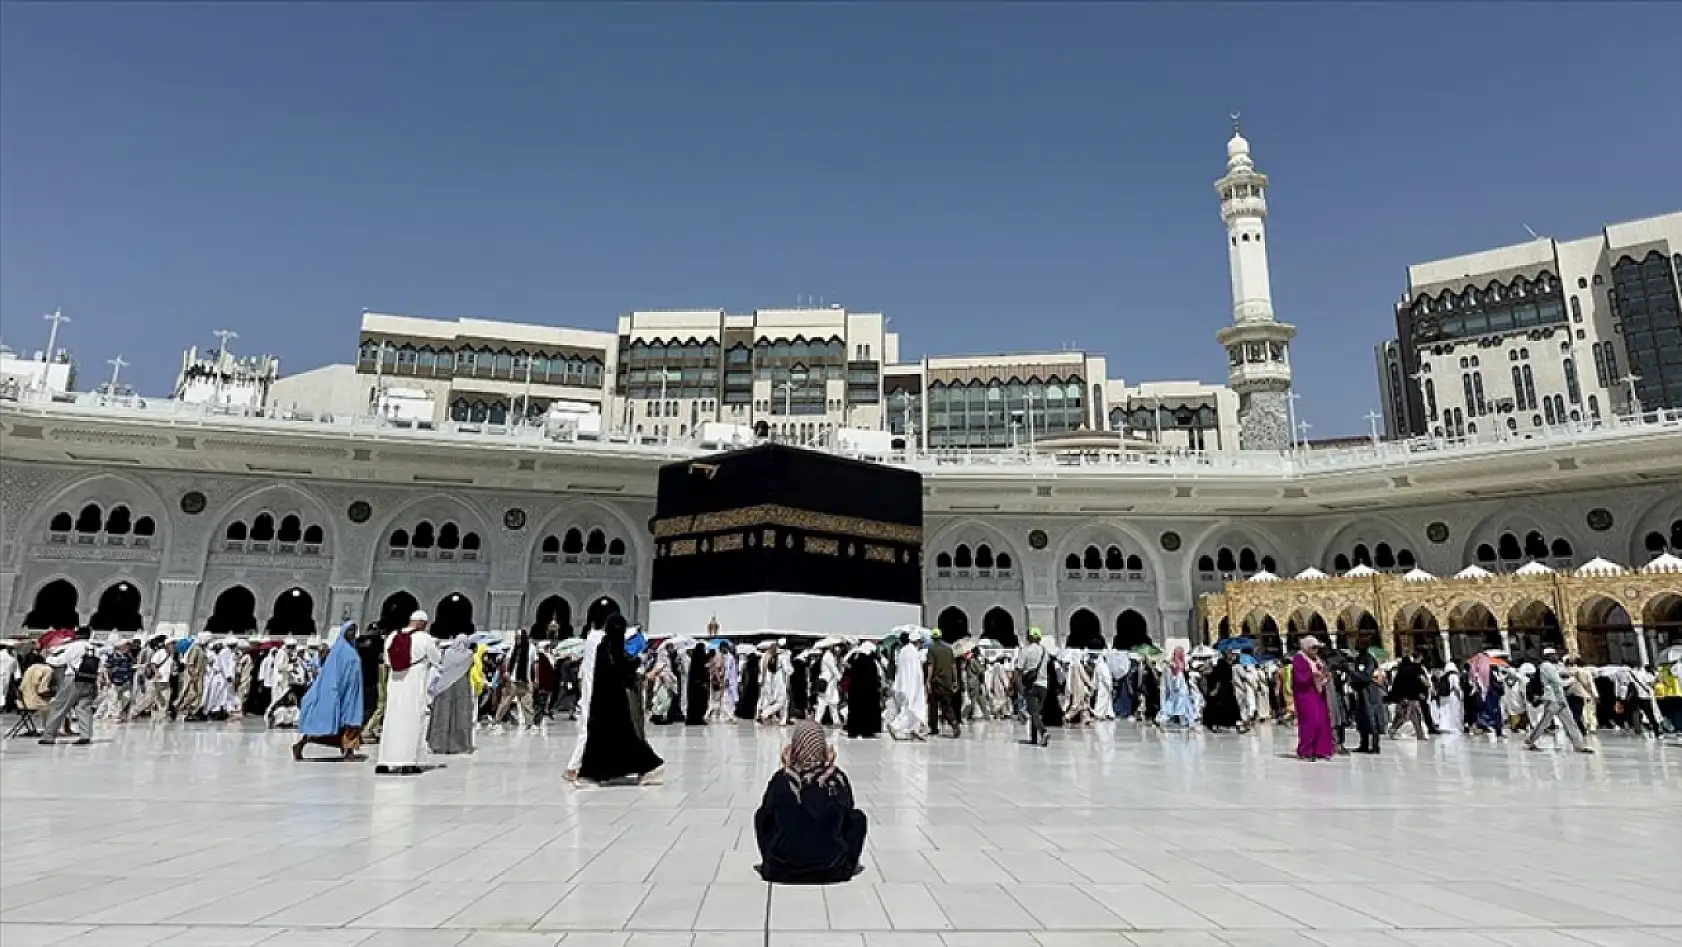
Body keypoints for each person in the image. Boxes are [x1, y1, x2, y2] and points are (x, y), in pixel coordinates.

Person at [753, 720, 868, 884]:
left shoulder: (782, 779)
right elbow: (848, 814)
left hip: (781, 871)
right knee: (857, 817)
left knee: (763, 815)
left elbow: (765, 816)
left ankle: (773, 861)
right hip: (833, 871)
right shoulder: (837, 780)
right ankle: (845, 863)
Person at [570, 615, 664, 785]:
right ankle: (647, 768)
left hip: (607, 701)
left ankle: (593, 774)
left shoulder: (607, 646)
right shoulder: (611, 646)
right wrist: (636, 662)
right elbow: (618, 669)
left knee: (613, 737)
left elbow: (616, 669)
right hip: (611, 700)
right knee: (618, 738)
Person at [375, 611, 443, 776]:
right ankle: (408, 762)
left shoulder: (392, 636)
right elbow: (437, 659)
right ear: (422, 623)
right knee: (412, 721)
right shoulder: (425, 638)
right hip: (414, 682)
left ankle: (384, 761)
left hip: (395, 683)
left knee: (392, 720)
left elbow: (387, 661)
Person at [293, 622, 367, 761]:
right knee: (328, 722)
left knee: (351, 721)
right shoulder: (338, 650)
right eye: (349, 630)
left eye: (354, 630)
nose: (352, 633)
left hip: (353, 693)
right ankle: (300, 745)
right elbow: (331, 673)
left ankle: (348, 751)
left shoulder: (352, 649)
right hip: (340, 691)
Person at [1525, 649, 1595, 754]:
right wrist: (1573, 680)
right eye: (1554, 655)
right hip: (1552, 699)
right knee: (1544, 723)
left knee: (1570, 723)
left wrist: (1574, 672)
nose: (1557, 656)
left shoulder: (1552, 666)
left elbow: (1562, 672)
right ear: (1548, 656)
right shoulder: (1546, 666)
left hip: (1560, 699)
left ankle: (1579, 746)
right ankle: (1530, 741)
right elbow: (1559, 682)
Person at [39, 632, 99, 745]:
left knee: (60, 706)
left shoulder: (75, 646)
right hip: (90, 680)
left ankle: (48, 736)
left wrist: (48, 658)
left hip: (74, 679)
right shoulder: (95, 648)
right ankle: (85, 736)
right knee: (83, 708)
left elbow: (61, 661)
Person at [428, 634, 478, 755]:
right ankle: (459, 745)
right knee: (460, 717)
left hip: (444, 687)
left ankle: (439, 744)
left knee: (443, 716)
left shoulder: (447, 653)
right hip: (462, 689)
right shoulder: (469, 655)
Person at [1291, 636, 1336, 760]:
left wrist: (1325, 675)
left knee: (1322, 721)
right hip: (1306, 694)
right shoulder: (1299, 658)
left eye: (1317, 648)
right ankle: (1305, 750)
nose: (1316, 650)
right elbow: (1300, 677)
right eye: (1313, 647)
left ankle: (1320, 749)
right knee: (1310, 722)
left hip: (1319, 694)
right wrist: (1313, 675)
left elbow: (1323, 670)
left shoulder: (1317, 659)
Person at [888, 632, 929, 740]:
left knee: (910, 709)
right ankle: (896, 725)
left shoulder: (903, 651)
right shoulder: (912, 652)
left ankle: (914, 730)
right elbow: (915, 672)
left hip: (903, 685)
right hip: (912, 686)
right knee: (910, 709)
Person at [1014, 628, 1050, 746]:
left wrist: (1019, 687)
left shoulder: (1025, 651)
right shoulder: (1044, 651)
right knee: (1036, 713)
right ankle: (1034, 738)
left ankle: (1043, 732)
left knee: (1033, 713)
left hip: (1031, 686)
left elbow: (1019, 670)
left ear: (1029, 638)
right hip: (1043, 685)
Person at [493, 628, 536, 728]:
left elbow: (535, 664)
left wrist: (536, 679)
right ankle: (496, 721)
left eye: (519, 637)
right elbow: (507, 661)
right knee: (505, 702)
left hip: (525, 681)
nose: (517, 639)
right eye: (516, 637)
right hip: (512, 681)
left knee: (527, 704)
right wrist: (506, 673)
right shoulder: (513, 648)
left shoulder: (532, 649)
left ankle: (530, 724)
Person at [1351, 642, 1387, 753]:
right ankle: (1364, 744)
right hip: (1362, 692)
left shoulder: (1369, 659)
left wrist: (1353, 673)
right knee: (1362, 717)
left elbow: (1366, 676)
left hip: (1371, 692)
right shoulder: (1358, 659)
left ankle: (1375, 746)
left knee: (1372, 717)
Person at [1387, 654, 1431, 740]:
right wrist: (1422, 691)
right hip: (1412, 697)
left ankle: (1394, 730)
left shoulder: (1400, 672)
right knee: (1413, 716)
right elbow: (1420, 681)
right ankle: (1419, 734)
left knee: (1404, 716)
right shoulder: (1414, 669)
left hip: (1403, 697)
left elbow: (1396, 686)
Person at [925, 630, 960, 738]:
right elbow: (953, 666)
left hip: (936, 682)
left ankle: (934, 728)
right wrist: (955, 680)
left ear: (933, 639)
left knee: (933, 706)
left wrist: (928, 681)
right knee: (946, 706)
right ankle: (954, 722)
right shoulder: (949, 650)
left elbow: (930, 666)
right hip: (947, 682)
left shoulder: (931, 650)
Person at [843, 644, 882, 738]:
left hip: (855, 691)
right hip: (868, 692)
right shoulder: (871, 662)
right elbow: (874, 678)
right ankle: (867, 731)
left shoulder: (855, 661)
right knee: (867, 711)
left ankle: (854, 730)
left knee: (855, 711)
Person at [1201, 651, 1244, 732]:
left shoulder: (1218, 670)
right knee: (1232, 709)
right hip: (1227, 691)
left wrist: (1215, 690)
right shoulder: (1227, 668)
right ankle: (1238, 726)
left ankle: (1217, 726)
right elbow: (1228, 681)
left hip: (1224, 691)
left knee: (1222, 709)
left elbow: (1219, 680)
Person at [1157, 647, 1198, 728]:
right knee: (1179, 705)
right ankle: (1181, 720)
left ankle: (1179, 720)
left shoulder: (1175, 664)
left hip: (1179, 688)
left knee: (1177, 705)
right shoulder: (1176, 664)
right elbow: (1178, 676)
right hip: (1179, 688)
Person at [815, 644, 844, 726]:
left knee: (833, 702)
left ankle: (836, 721)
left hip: (832, 682)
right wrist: (841, 679)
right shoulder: (828, 656)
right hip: (827, 682)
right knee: (823, 701)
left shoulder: (832, 656)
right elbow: (833, 669)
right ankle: (817, 720)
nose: (839, 650)